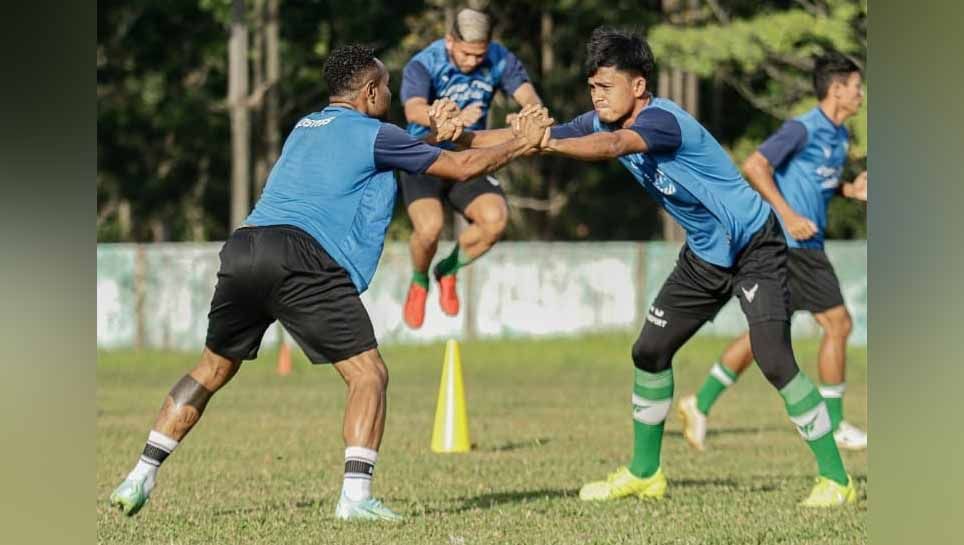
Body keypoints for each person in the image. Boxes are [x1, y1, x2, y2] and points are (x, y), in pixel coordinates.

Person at [108, 44, 552, 521]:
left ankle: (139, 475)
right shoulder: (375, 132)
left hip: (245, 247)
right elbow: (461, 167)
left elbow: (384, 147)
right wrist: (522, 142)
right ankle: (356, 498)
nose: (390, 93)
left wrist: (437, 130)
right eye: (385, 86)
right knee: (368, 374)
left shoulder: (305, 127)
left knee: (211, 369)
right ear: (370, 91)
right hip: (302, 256)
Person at [495, 28, 856, 507]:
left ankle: (837, 481)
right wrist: (456, 138)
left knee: (773, 358)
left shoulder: (662, 120)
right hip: (705, 256)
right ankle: (646, 473)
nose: (596, 95)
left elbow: (611, 148)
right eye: (592, 86)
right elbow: (530, 138)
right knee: (649, 351)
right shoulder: (600, 120)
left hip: (756, 245)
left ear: (638, 86)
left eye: (606, 85)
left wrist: (547, 143)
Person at [678, 52, 868, 452]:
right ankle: (833, 423)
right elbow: (756, 164)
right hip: (790, 244)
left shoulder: (840, 136)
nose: (861, 95)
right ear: (836, 89)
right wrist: (789, 214)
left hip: (797, 245)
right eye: (856, 87)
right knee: (839, 324)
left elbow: (820, 182)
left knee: (767, 334)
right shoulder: (802, 128)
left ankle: (700, 402)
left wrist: (851, 190)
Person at [399, 7, 544, 329]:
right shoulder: (424, 63)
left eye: (478, 56)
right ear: (450, 41)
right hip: (426, 157)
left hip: (470, 156)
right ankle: (420, 279)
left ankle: (447, 270)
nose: (472, 62)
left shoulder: (498, 57)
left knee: (494, 222)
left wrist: (530, 114)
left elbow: (528, 95)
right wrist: (442, 119)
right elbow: (412, 109)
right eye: (466, 54)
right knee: (429, 229)